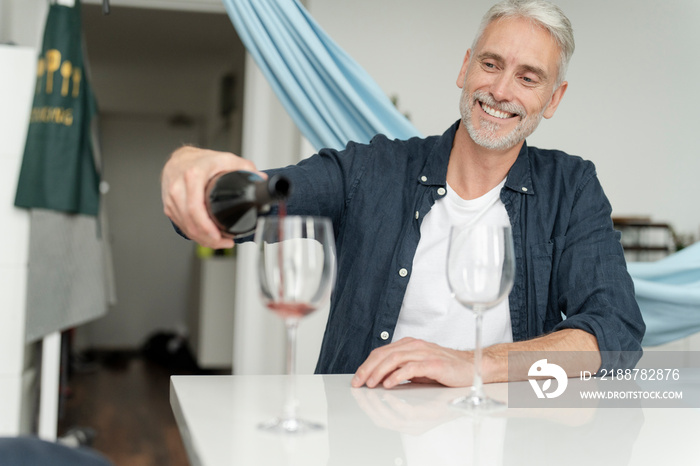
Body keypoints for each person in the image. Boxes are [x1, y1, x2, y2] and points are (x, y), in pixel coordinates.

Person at [161, 0, 645, 389]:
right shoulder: (371, 169)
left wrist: (472, 364)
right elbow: (243, 205)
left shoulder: (571, 187)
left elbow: (615, 333)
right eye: (491, 63)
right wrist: (195, 173)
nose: (500, 90)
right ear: (464, 68)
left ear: (553, 98)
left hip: (505, 437)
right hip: (361, 433)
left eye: (528, 77)